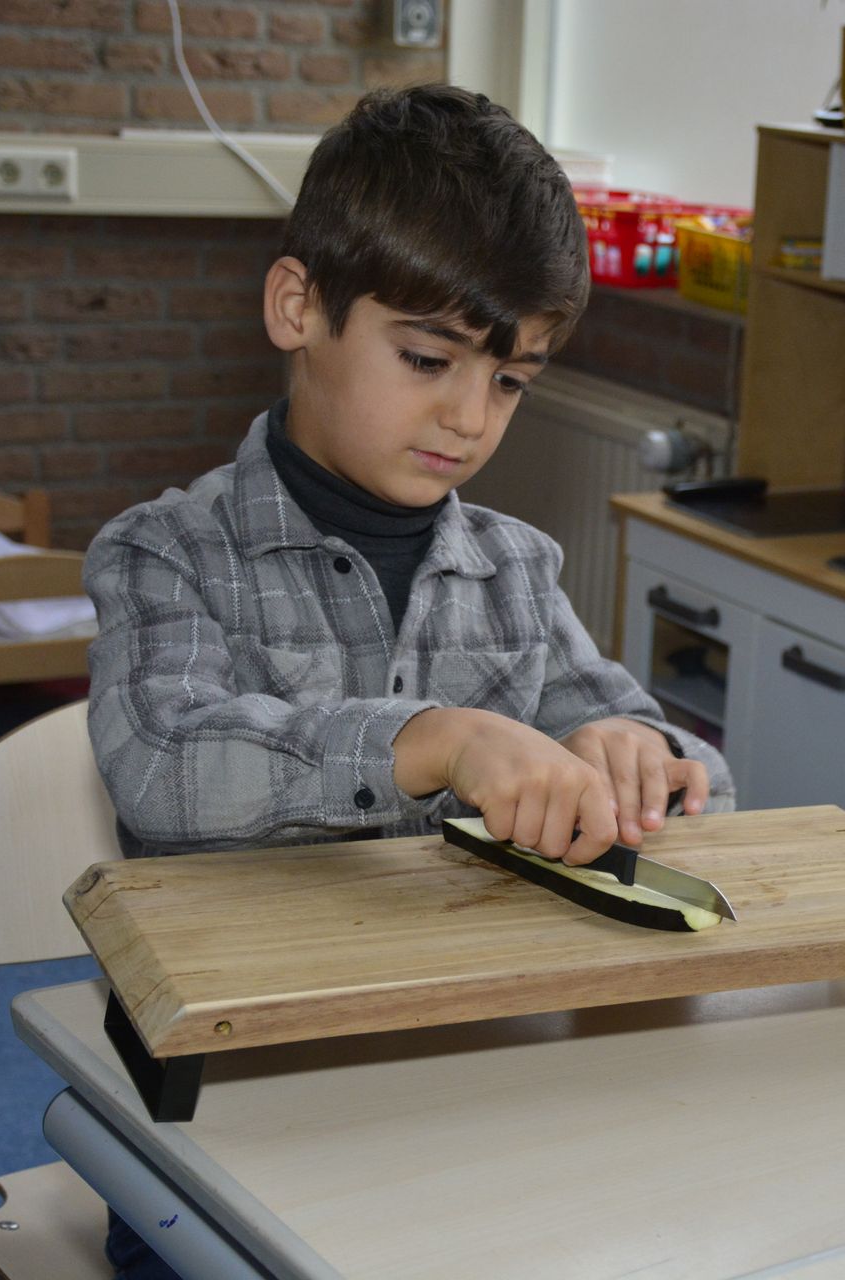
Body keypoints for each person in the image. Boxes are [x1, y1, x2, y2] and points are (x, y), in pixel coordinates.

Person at [81, 84, 732, 1279]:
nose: (469, 416)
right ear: (297, 306)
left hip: (467, 1088)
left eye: (511, 379)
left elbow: (643, 739)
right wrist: (431, 737)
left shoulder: (515, 569)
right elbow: (164, 767)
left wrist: (643, 759)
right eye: (428, 357)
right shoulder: (163, 552)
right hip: (221, 1116)